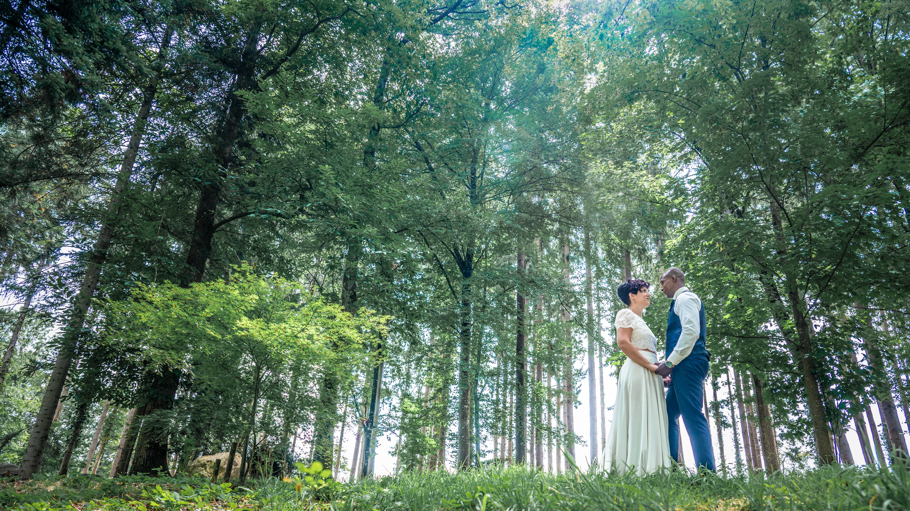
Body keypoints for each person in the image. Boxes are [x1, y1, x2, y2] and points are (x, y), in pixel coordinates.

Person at [598, 278, 672, 474]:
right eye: (643, 290)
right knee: (637, 415)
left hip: (650, 371)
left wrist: (658, 370)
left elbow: (645, 348)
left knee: (650, 417)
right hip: (639, 371)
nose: (648, 293)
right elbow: (623, 343)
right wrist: (649, 365)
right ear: (632, 295)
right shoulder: (625, 314)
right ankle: (629, 468)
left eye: (647, 290)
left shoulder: (641, 322)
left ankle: (651, 468)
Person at [654, 267, 716, 472]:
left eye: (662, 282)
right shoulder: (678, 302)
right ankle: (671, 469)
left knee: (692, 416)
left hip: (689, 363)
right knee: (667, 414)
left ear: (674, 279)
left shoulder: (685, 299)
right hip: (683, 366)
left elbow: (690, 332)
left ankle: (707, 474)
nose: (661, 287)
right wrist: (673, 367)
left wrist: (670, 363)